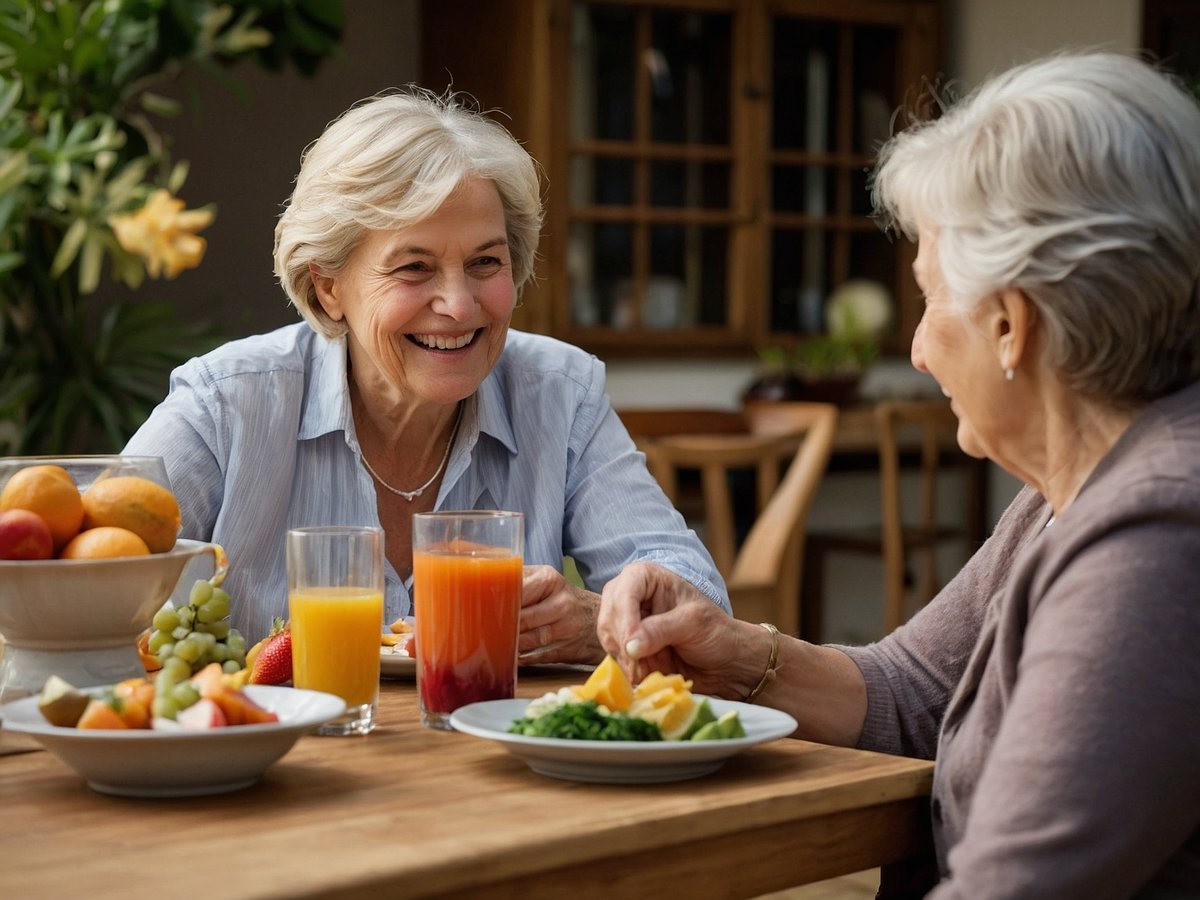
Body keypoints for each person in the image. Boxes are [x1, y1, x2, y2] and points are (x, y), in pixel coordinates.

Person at [598, 51, 1200, 898]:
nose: (916, 351)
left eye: (928, 298)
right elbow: (915, 692)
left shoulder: (1160, 535)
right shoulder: (1073, 493)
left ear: (1008, 323)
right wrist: (732, 655)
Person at [124, 86, 728, 655]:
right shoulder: (227, 405)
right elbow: (84, 577)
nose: (460, 305)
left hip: (492, 758)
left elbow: (690, 595)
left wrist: (595, 620)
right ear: (328, 286)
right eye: (414, 267)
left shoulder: (560, 393)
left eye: (485, 262)